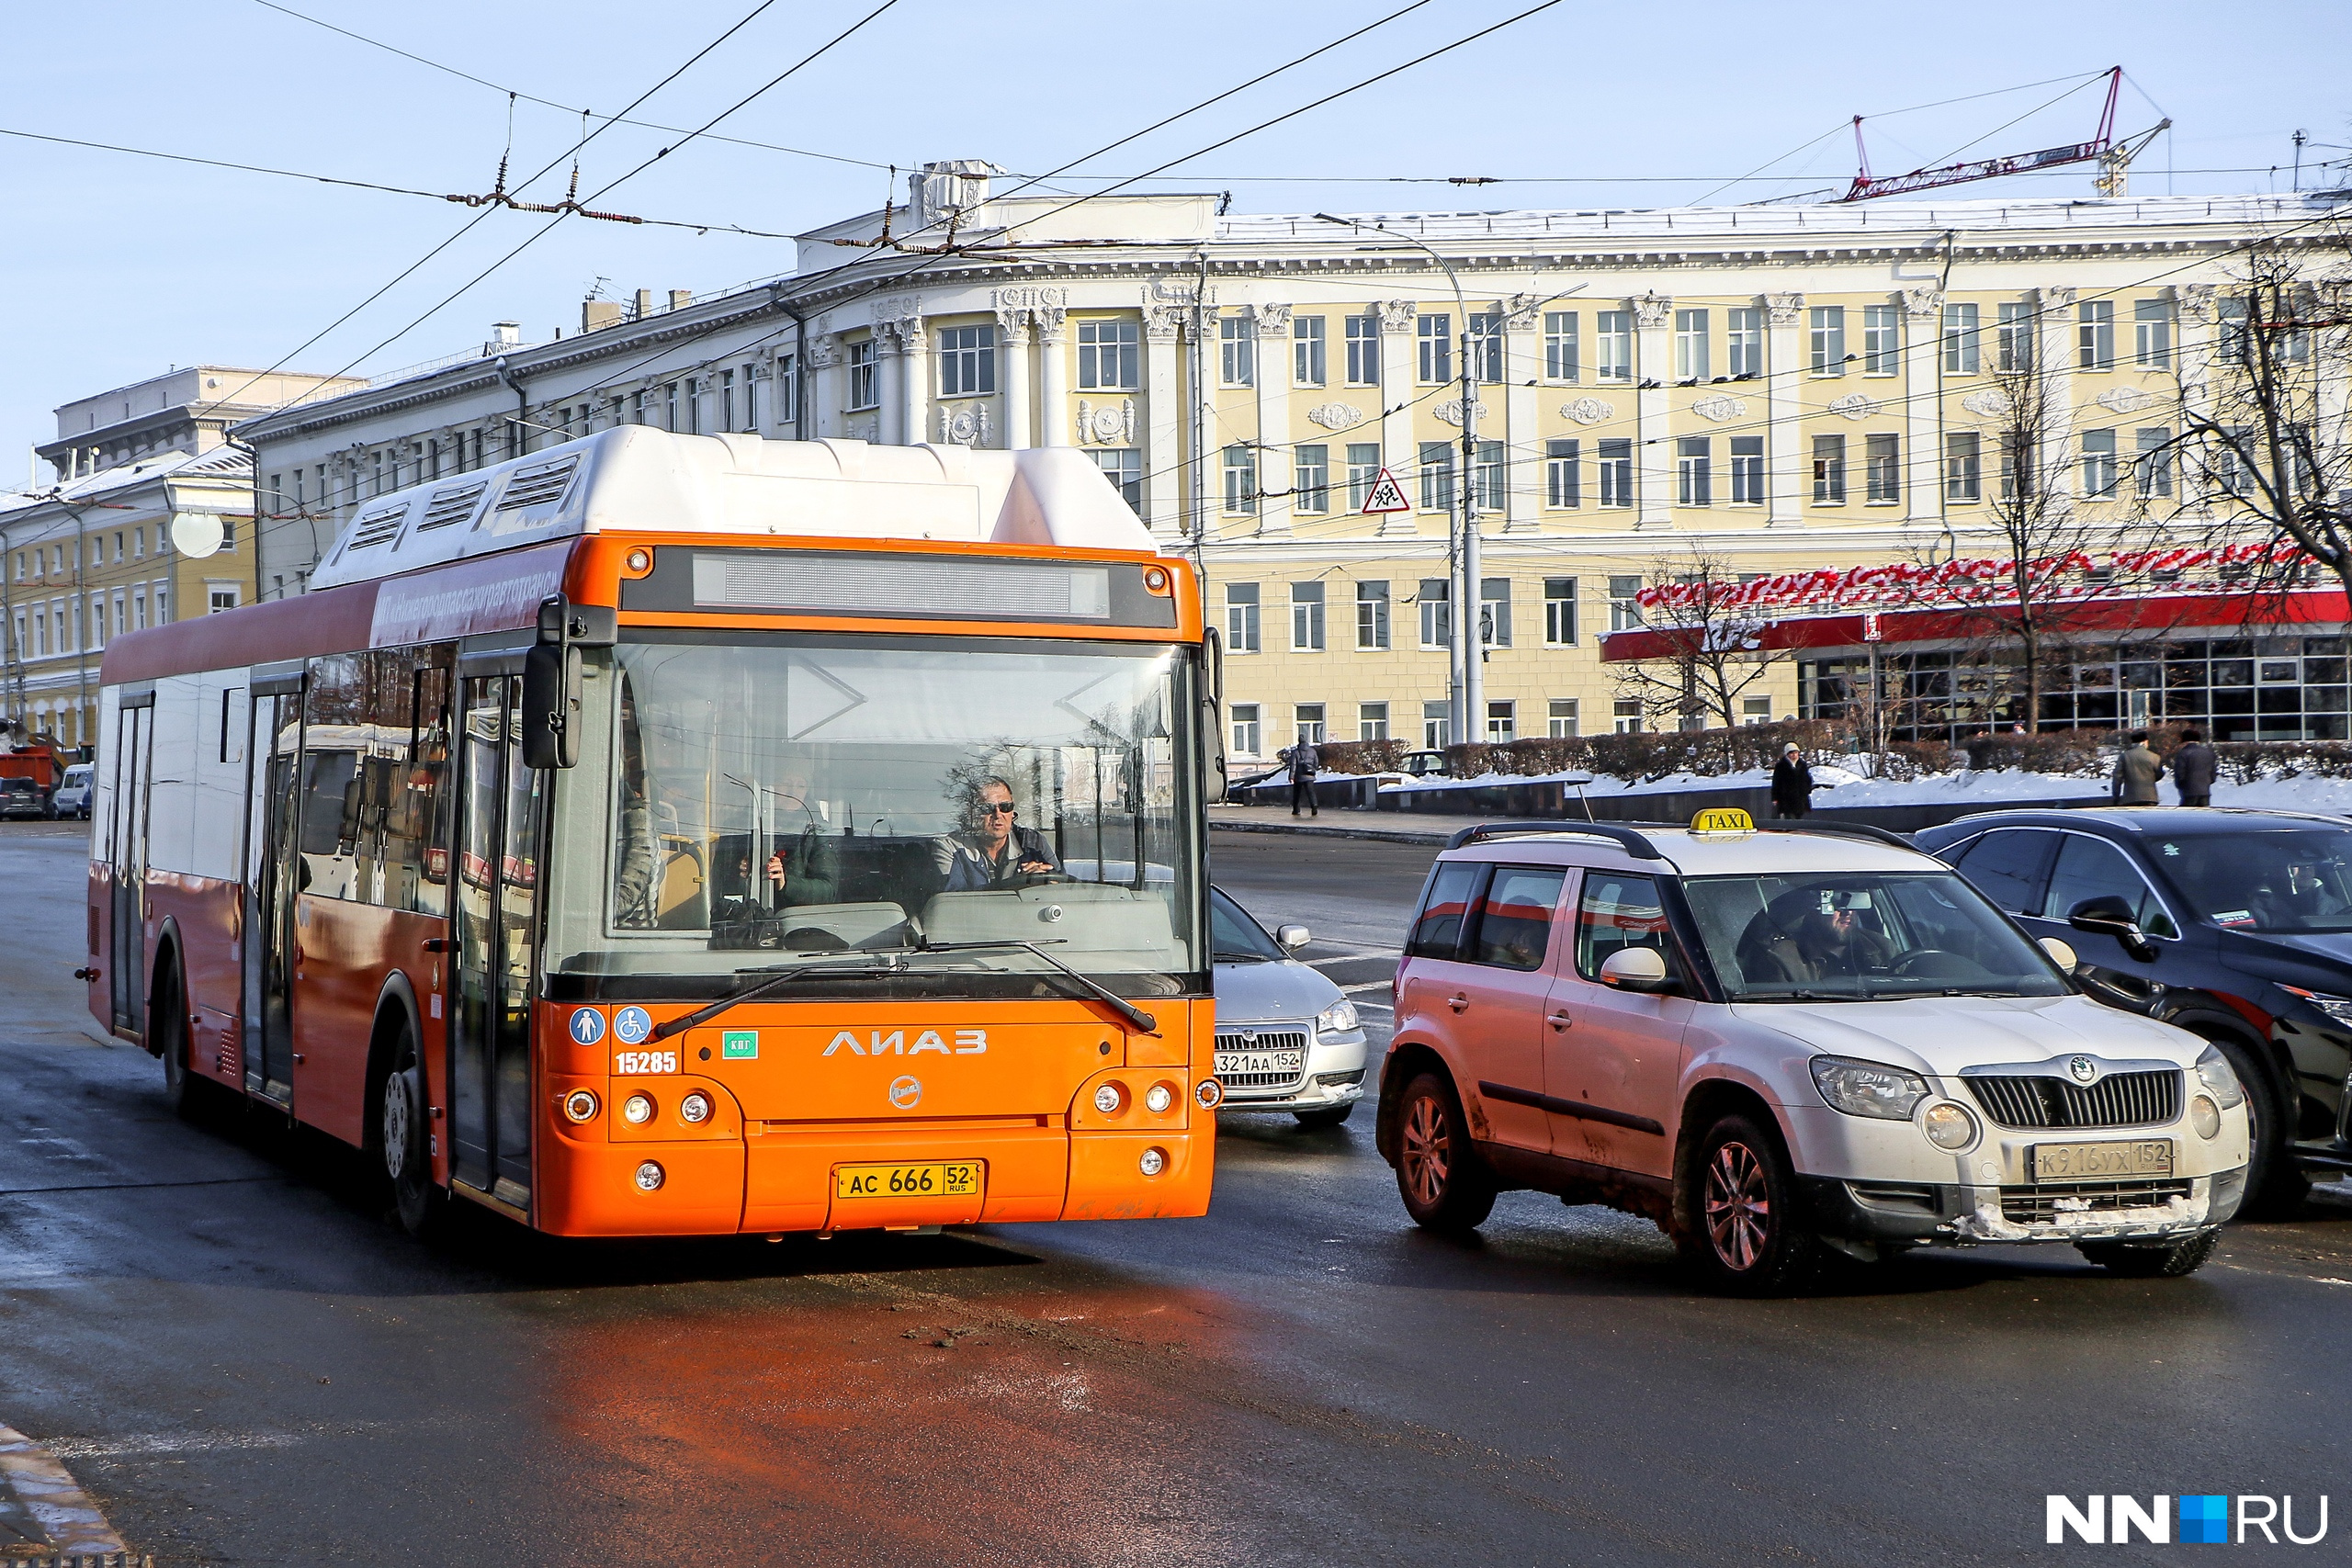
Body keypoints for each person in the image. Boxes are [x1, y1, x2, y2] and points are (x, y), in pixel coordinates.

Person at [933, 774, 1061, 891]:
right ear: (972, 813)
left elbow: (1065, 887)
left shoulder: (1033, 842)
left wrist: (1048, 882)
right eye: (988, 808)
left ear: (1012, 812)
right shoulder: (950, 848)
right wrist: (1020, 886)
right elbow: (952, 901)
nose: (998, 814)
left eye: (1005, 807)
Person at [2111, 730, 2165, 806]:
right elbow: (2159, 774)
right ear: (2145, 741)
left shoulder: (2124, 756)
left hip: (2130, 798)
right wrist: (2150, 779)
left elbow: (2117, 778)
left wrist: (2116, 796)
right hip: (2150, 797)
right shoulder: (2154, 757)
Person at [2171, 727, 2218, 807]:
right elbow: (2213, 775)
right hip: (2205, 791)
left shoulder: (2183, 753)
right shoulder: (2208, 753)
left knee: (2189, 817)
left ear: (2184, 741)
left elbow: (2180, 774)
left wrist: (2180, 785)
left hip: (2189, 792)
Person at [1770, 742, 1816, 819]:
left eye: (1796, 753)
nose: (1794, 755)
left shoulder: (1802, 764)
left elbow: (1807, 779)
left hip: (1800, 799)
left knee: (1799, 819)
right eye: (1791, 753)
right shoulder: (1781, 765)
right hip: (1786, 799)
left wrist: (1806, 790)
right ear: (1787, 754)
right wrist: (1775, 797)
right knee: (1789, 819)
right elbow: (1776, 782)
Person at [1286, 735, 1322, 818]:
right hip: (1310, 775)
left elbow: (1293, 765)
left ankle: (1296, 810)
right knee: (1311, 792)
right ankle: (1314, 806)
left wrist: (1291, 776)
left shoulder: (1295, 752)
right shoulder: (1312, 751)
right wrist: (1312, 769)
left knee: (1297, 793)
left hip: (1299, 776)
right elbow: (1316, 763)